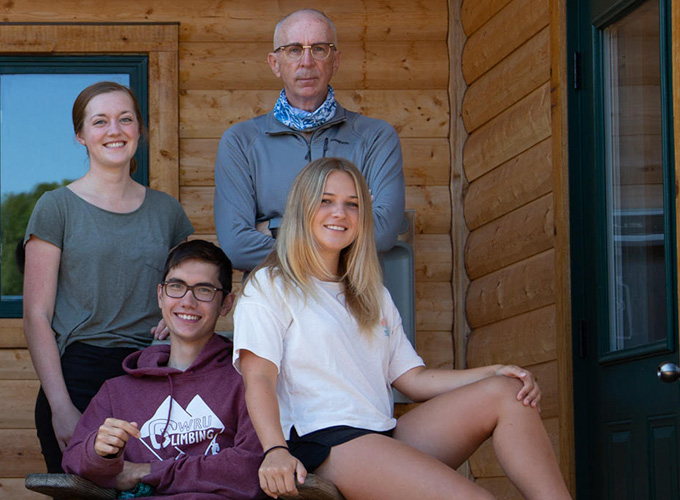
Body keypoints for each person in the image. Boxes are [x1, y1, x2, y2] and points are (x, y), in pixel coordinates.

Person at [233, 157, 573, 500]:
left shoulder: (371, 293)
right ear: (301, 208)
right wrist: (275, 449)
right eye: (326, 201)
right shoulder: (271, 286)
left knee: (507, 393)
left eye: (352, 204)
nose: (340, 213)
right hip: (323, 441)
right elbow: (259, 377)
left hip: (382, 434)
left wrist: (495, 371)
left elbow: (412, 379)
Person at [23, 81, 194, 473]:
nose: (114, 130)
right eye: (100, 121)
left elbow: (185, 295)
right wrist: (61, 406)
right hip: (80, 377)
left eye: (125, 119)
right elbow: (35, 316)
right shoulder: (56, 208)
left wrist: (174, 319)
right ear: (80, 135)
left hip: (153, 373)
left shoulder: (167, 212)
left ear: (139, 130)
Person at [62, 240, 265, 500]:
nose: (187, 301)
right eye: (176, 287)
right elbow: (74, 463)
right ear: (161, 295)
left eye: (204, 290)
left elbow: (252, 467)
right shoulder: (117, 391)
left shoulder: (247, 379)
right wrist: (99, 453)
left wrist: (147, 470)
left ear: (226, 303)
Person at [214, 8, 405, 272]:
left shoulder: (375, 138)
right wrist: (343, 226)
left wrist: (273, 228)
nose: (306, 61)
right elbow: (237, 247)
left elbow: (382, 233)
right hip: (273, 306)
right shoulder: (241, 142)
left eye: (319, 49)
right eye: (293, 49)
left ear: (335, 61)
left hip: (352, 304)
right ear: (274, 63)